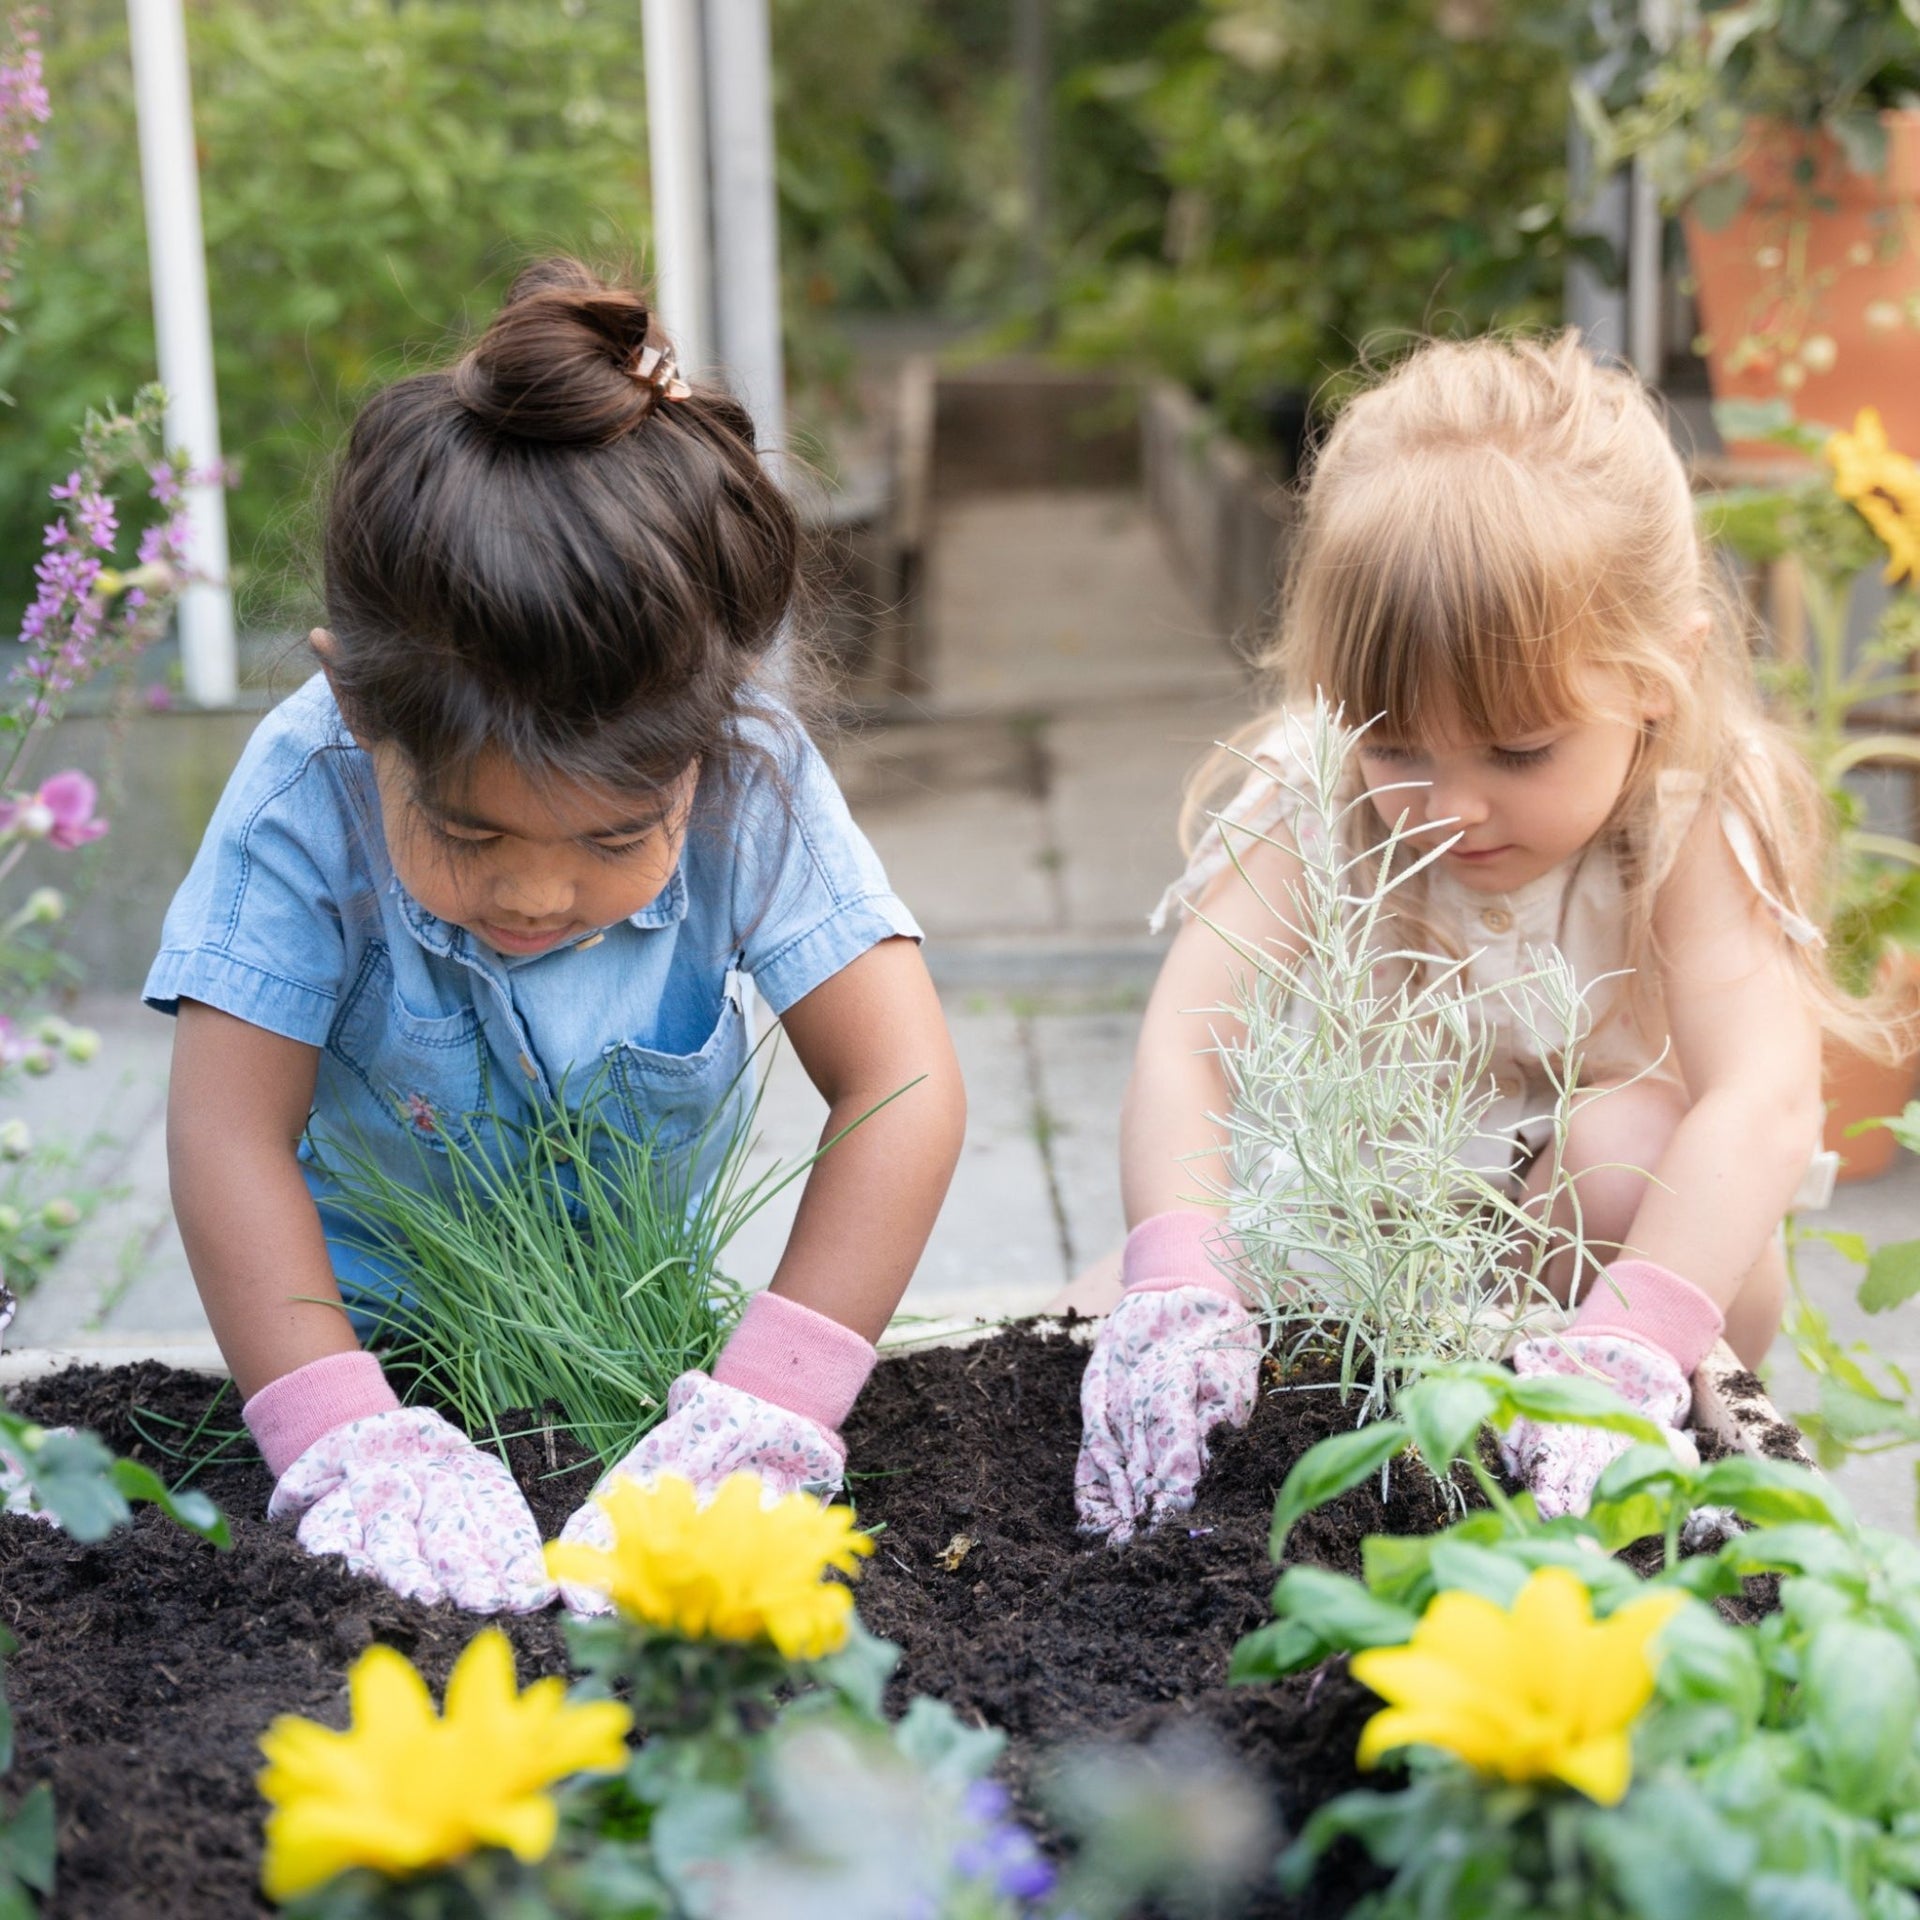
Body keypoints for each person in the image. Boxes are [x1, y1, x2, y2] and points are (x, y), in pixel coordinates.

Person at [147, 260, 965, 1612]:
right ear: (359, 710)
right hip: (367, 1346)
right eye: (469, 836)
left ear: (706, 741)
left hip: (636, 1353)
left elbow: (905, 1081)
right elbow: (226, 1133)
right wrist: (344, 1434)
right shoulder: (304, 797)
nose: (535, 894)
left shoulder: (753, 778)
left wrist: (768, 1409)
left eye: (612, 839)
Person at [1069, 332, 1900, 1541]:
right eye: (1395, 745)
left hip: (1599, 1256)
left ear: (1660, 675)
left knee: (1630, 1143)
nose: (1448, 807)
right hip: (1362, 1242)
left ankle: (1604, 1430)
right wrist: (1183, 1285)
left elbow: (1764, 1099)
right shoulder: (1315, 785)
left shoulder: (1691, 807)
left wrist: (1627, 1349)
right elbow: (1188, 1047)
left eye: (1518, 752)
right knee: (1085, 1332)